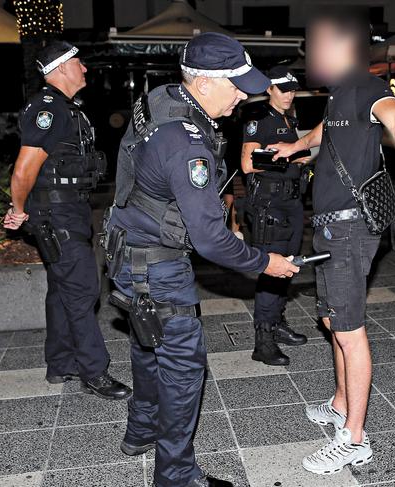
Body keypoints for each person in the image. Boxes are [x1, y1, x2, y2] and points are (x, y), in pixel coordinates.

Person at [103, 33, 299, 487]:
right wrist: (263, 262)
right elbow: (210, 242)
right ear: (206, 82)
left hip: (126, 248)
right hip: (157, 262)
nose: (243, 97)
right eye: (236, 86)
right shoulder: (186, 143)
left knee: (145, 342)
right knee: (183, 367)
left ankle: (141, 429)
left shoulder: (160, 100)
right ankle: (176, 475)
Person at [267, 9, 395, 475]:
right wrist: (294, 148)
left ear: (346, 47)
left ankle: (354, 438)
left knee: (349, 329)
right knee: (332, 320)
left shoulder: (368, 87)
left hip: (349, 227)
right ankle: (340, 402)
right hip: (330, 224)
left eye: (320, 42)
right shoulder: (339, 94)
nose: (313, 51)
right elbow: (328, 132)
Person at [3, 41, 131, 400]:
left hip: (67, 210)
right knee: (83, 291)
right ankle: (95, 372)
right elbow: (23, 170)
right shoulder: (49, 109)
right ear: (59, 70)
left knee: (62, 289)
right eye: (78, 63)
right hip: (56, 213)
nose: (85, 69)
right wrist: (18, 208)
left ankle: (59, 363)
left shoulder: (66, 108)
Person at [240, 66, 309, 366]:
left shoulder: (288, 119)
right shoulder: (258, 120)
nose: (289, 94)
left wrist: (296, 156)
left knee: (288, 266)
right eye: (283, 89)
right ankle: (263, 340)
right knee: (272, 269)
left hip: (291, 203)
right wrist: (288, 159)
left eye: (293, 89)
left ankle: (277, 324)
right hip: (270, 204)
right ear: (269, 89)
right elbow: (246, 164)